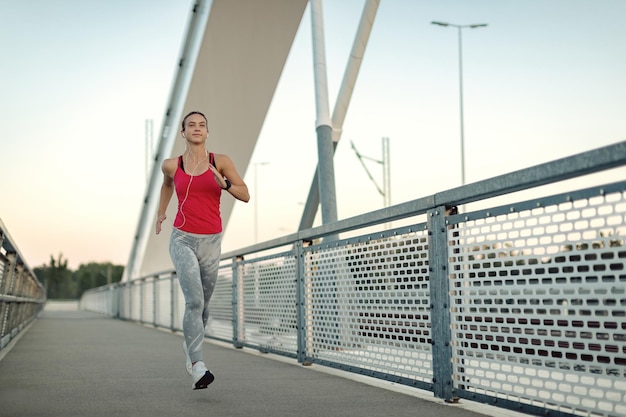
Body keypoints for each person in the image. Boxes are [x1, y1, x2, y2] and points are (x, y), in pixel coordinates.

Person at [155, 110, 250, 390]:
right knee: (194, 301)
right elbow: (166, 186)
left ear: (207, 132)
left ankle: (190, 344)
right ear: (183, 133)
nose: (197, 128)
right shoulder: (171, 165)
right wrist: (161, 213)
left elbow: (245, 194)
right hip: (182, 238)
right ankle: (197, 365)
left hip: (211, 241)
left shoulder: (220, 162)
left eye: (202, 125)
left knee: (204, 307)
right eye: (191, 125)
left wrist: (226, 185)